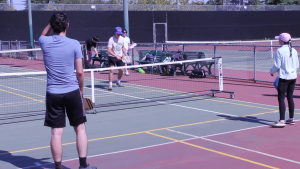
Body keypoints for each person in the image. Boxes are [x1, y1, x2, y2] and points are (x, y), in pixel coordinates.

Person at [39, 12, 97, 169]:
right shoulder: (74, 44)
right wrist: (82, 90)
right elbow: (79, 72)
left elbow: (43, 34)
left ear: (52, 25)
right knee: (80, 128)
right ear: (67, 25)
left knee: (56, 132)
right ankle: (83, 166)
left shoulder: (44, 41)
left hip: (53, 93)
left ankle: (58, 167)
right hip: (72, 91)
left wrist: (52, 23)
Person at [270, 33, 299, 127]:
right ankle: (291, 119)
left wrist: (272, 71)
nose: (278, 40)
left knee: (281, 98)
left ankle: (282, 120)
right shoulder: (294, 50)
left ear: (282, 40)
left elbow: (277, 65)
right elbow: (297, 65)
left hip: (284, 78)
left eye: (279, 39)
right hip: (293, 77)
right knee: (290, 97)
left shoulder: (279, 51)